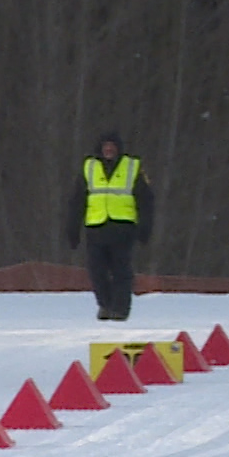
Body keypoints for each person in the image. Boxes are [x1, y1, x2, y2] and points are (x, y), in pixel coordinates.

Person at [66, 130, 155, 322]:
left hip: (123, 228)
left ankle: (120, 309)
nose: (108, 149)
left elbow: (146, 200)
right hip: (96, 227)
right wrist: (73, 229)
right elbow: (77, 201)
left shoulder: (132, 167)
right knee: (96, 271)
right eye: (105, 146)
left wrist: (145, 227)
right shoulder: (89, 167)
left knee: (121, 271)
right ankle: (105, 304)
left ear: (118, 148)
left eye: (112, 146)